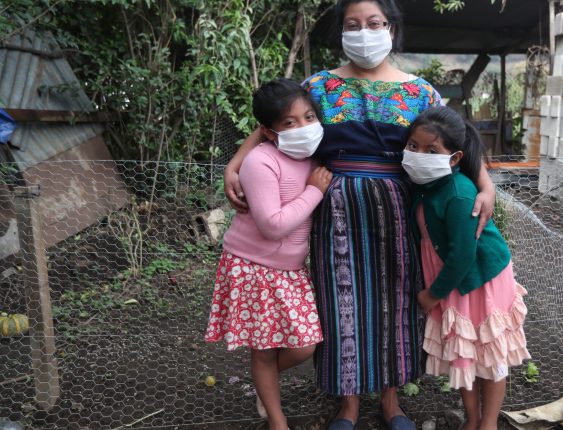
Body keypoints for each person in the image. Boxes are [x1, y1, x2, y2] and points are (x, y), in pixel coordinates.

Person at [223, 1, 497, 428]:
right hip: (335, 208)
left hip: (399, 207)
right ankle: (348, 404)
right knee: (340, 302)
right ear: (342, 31)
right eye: (353, 24)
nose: (363, 32)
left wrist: (486, 184)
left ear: (391, 29)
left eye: (373, 23)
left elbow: (454, 137)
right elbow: (270, 126)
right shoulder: (318, 87)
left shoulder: (420, 92)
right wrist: (234, 164)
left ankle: (391, 402)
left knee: (397, 300)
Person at [205, 78, 333, 430]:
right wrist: (314, 192)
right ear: (268, 131)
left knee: (304, 345)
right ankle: (278, 421)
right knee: (263, 349)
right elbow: (273, 226)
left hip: (290, 269)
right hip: (253, 268)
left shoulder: (313, 157)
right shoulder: (260, 162)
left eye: (309, 117)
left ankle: (266, 385)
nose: (303, 127)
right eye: (290, 122)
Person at [403, 106, 531, 430]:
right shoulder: (425, 184)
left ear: (455, 158)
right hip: (453, 280)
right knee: (464, 353)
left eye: (431, 150)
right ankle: (472, 420)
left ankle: (487, 423)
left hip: (479, 280)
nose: (419, 155)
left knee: (490, 353)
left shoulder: (459, 194)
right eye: (413, 146)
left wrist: (433, 294)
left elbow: (462, 256)